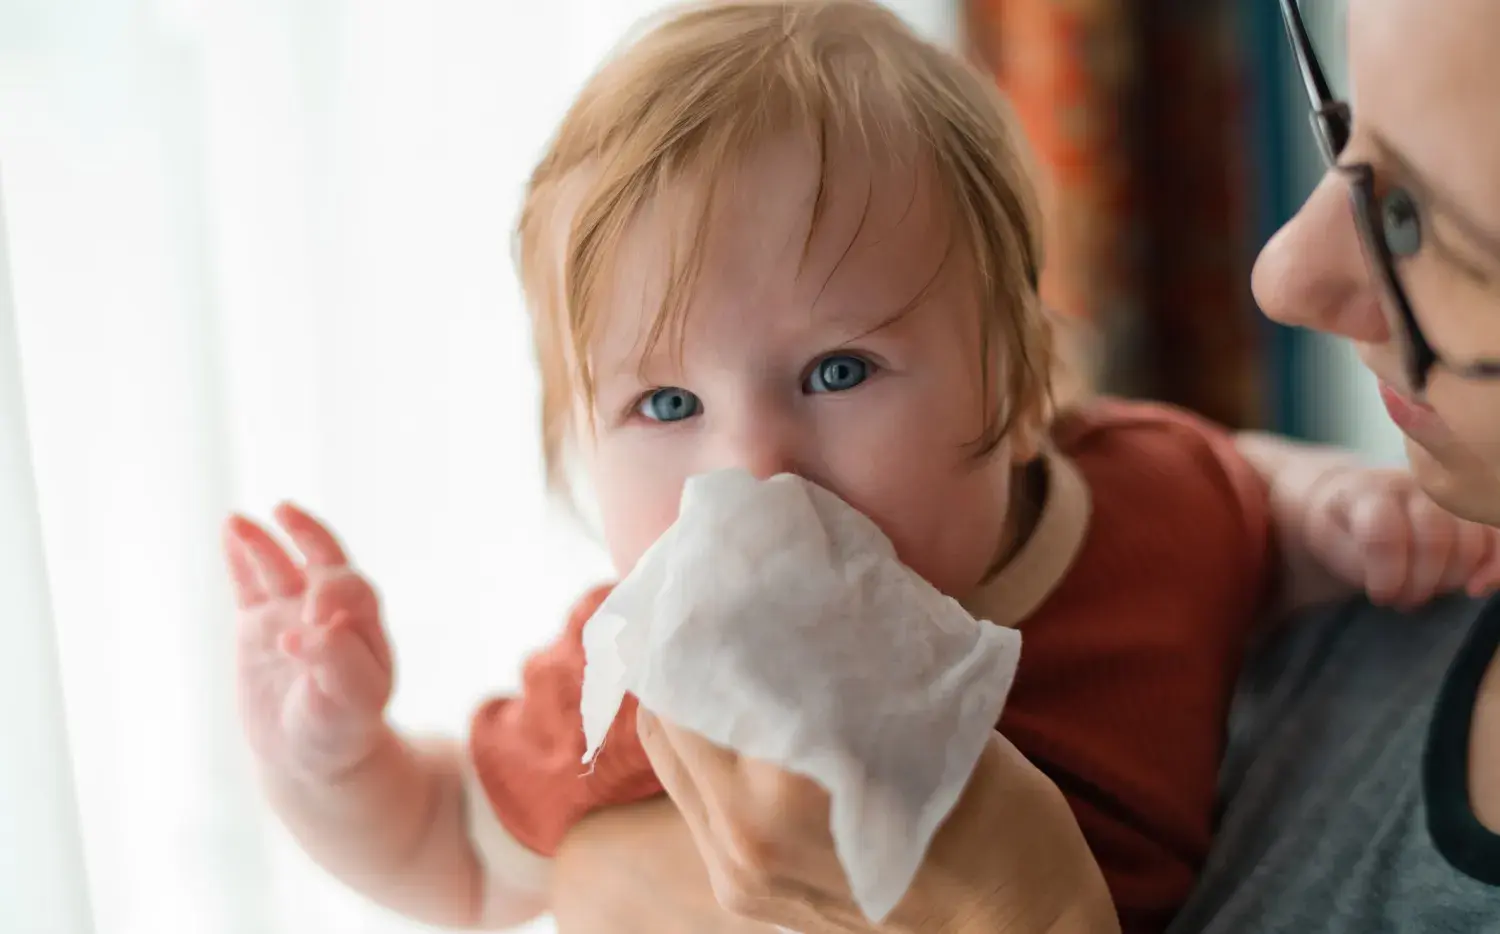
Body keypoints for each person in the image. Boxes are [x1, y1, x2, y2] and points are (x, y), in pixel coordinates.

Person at [219, 1, 1498, 932]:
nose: (753, 467)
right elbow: (450, 850)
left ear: (1013, 374)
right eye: (665, 401)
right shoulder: (670, 678)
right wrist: (330, 759)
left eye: (837, 372)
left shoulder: (1144, 499)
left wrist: (1330, 508)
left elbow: (1239, 491)